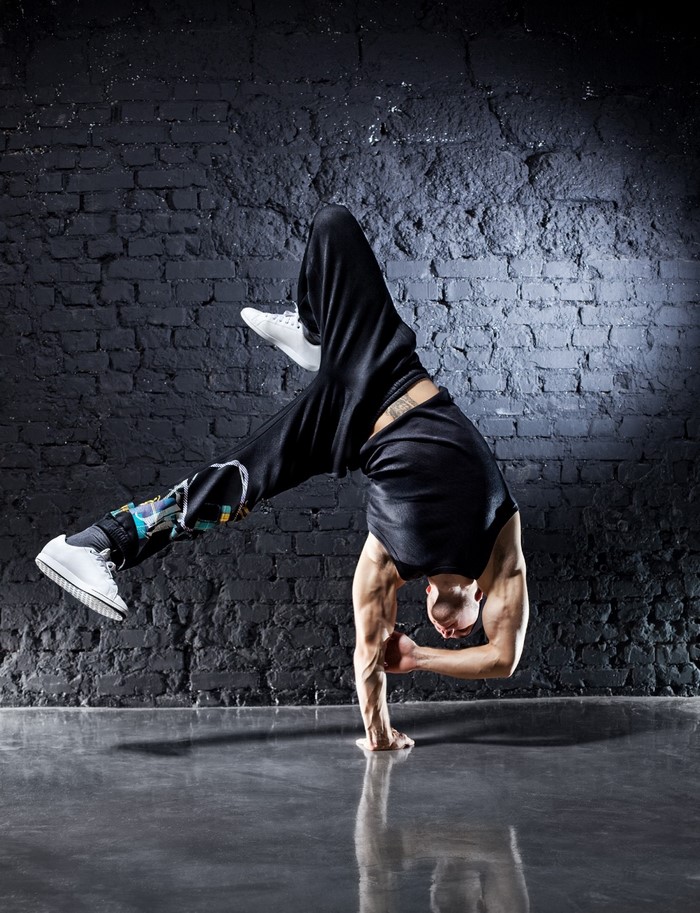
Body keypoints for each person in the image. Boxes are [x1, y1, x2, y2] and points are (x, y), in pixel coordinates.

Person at [35, 203, 529, 750]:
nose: (450, 630)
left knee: (233, 485)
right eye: (463, 630)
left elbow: (408, 655)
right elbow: (501, 654)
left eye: (447, 635)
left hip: (342, 431)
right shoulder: (501, 547)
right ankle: (312, 332)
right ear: (481, 599)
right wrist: (440, 653)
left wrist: (395, 705)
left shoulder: (389, 559)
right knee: (334, 222)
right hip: (387, 367)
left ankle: (94, 544)